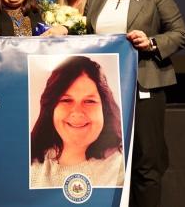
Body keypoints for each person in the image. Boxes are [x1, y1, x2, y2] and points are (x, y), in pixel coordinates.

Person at [84, 0, 185, 207]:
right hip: (105, 92)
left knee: (146, 164)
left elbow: (180, 33)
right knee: (106, 162)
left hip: (145, 86)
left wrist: (151, 41)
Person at [30, 56, 124, 188]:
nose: (77, 113)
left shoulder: (122, 166)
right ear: (51, 109)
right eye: (66, 100)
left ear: (105, 109)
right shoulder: (29, 165)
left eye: (89, 101)